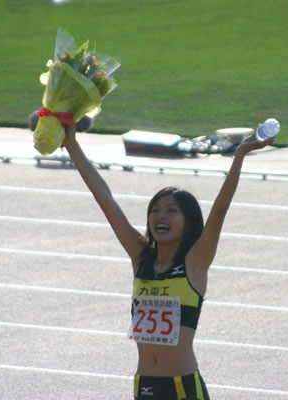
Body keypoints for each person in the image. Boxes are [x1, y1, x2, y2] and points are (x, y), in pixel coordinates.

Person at [63, 123, 273, 400]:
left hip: (182, 388)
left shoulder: (195, 262)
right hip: (145, 385)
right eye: (156, 211)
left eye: (172, 211)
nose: (161, 217)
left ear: (189, 222)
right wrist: (72, 145)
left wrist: (240, 156)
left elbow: (220, 209)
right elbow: (105, 198)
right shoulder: (141, 257)